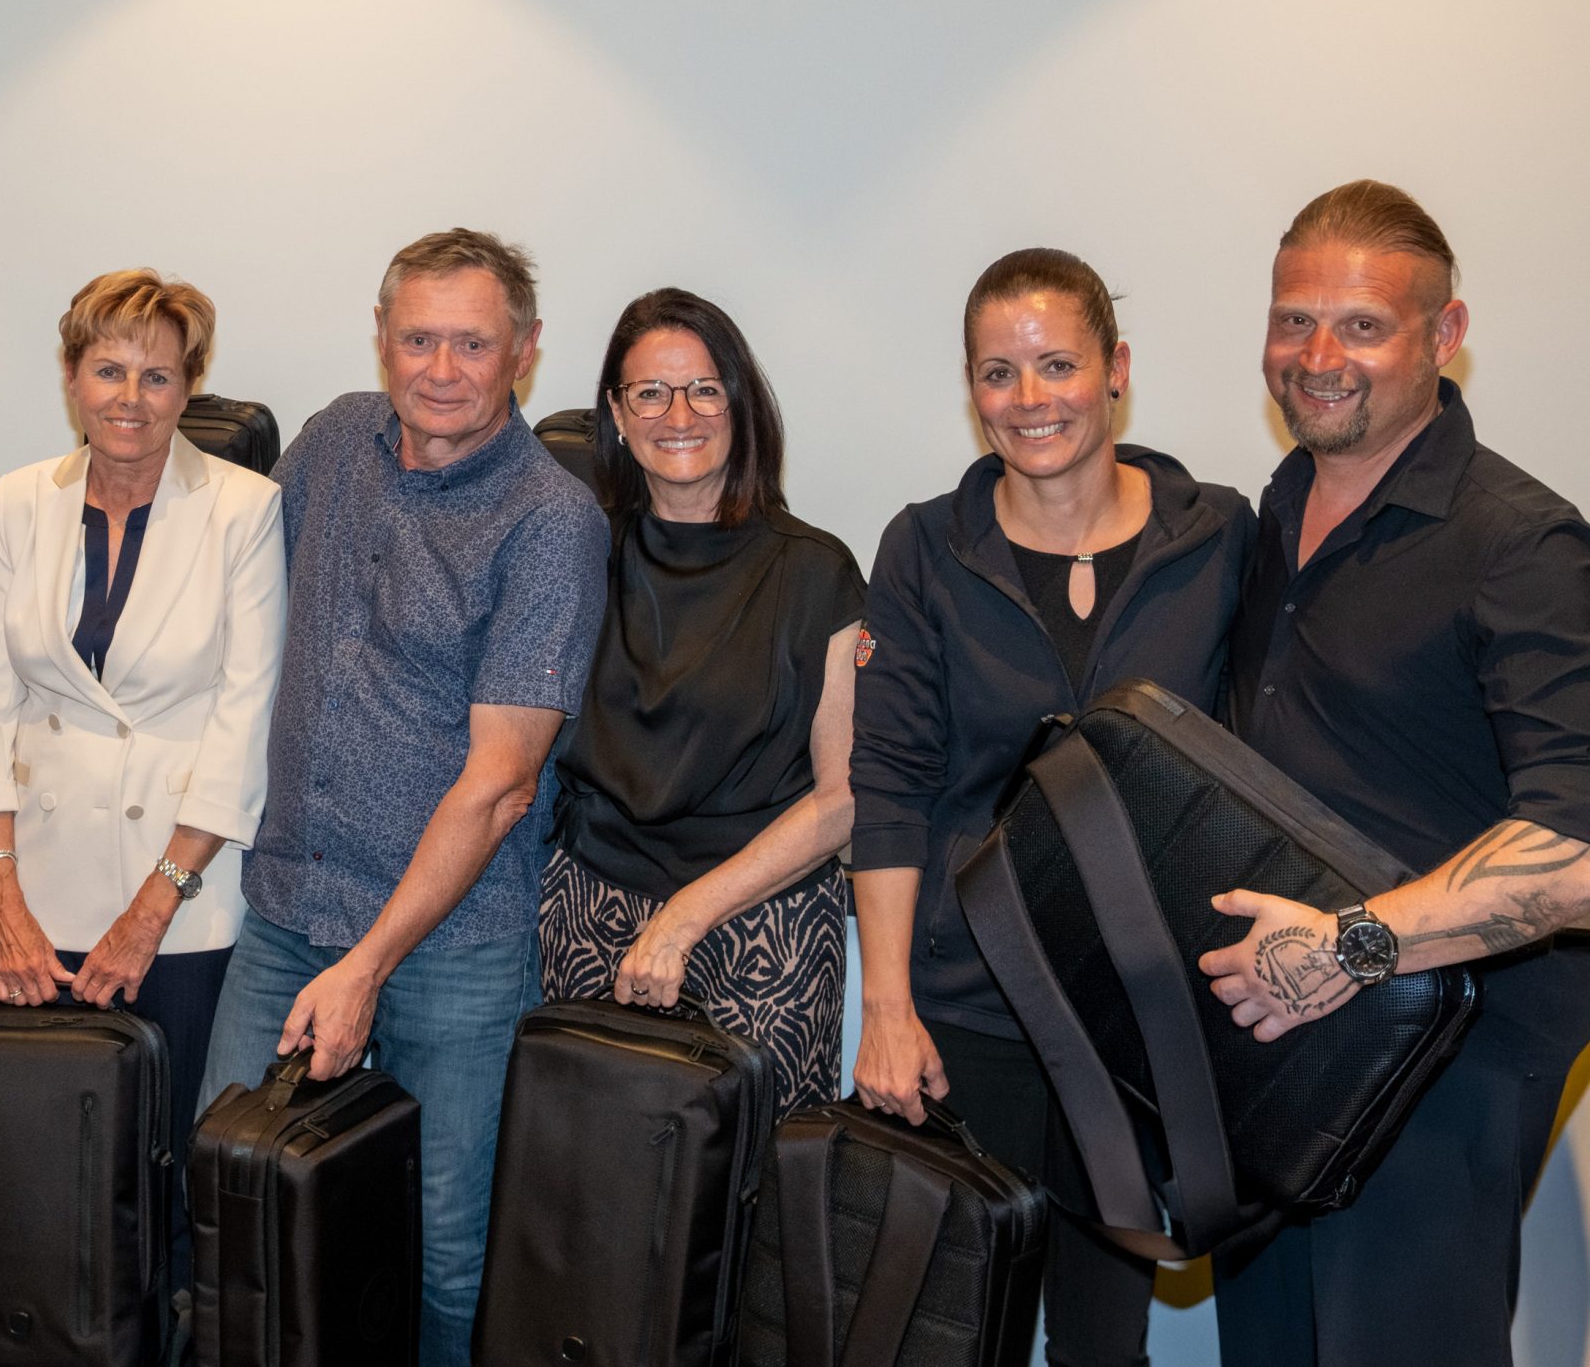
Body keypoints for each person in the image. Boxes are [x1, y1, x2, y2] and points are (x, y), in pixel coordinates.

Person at [196, 227, 607, 1366]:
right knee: (234, 1189)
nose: (441, 369)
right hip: (288, 908)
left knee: (446, 1248)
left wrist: (368, 965)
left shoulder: (551, 522)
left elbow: (501, 785)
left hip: (451, 947)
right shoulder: (333, 441)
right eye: (418, 338)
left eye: (471, 343)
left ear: (524, 350)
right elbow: (226, 593)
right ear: (381, 337)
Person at [1195, 182, 1590, 1367]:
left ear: (1443, 333)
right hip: (1278, 1039)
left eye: (1361, 326)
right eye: (1294, 320)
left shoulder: (1518, 541)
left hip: (1448, 1062)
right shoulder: (1277, 506)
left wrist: (1348, 949)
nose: (1318, 358)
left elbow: (1575, 856)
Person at [851, 248, 1254, 1367]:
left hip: (1141, 1020)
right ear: (971, 387)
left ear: (1115, 368)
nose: (1029, 398)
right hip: (969, 1015)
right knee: (944, 1334)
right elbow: (890, 785)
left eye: (1058, 364)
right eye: (998, 372)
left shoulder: (1220, 536)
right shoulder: (926, 547)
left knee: (1102, 1342)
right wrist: (886, 1007)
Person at [0, 268, 284, 1286]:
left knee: (177, 1173)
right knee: (59, 1170)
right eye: (108, 370)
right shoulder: (21, 499)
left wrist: (153, 907)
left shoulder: (244, 509)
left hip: (179, 899)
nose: (130, 398)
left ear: (190, 387)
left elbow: (244, 721)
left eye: (157, 375)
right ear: (71, 377)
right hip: (40, 891)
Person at [538, 288, 863, 1117]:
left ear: (739, 404)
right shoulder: (577, 551)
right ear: (616, 413)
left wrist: (686, 915)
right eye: (650, 392)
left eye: (704, 389)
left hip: (764, 928)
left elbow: (840, 799)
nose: (678, 414)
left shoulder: (815, 571)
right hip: (589, 913)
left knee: (755, 1183)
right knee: (584, 1176)